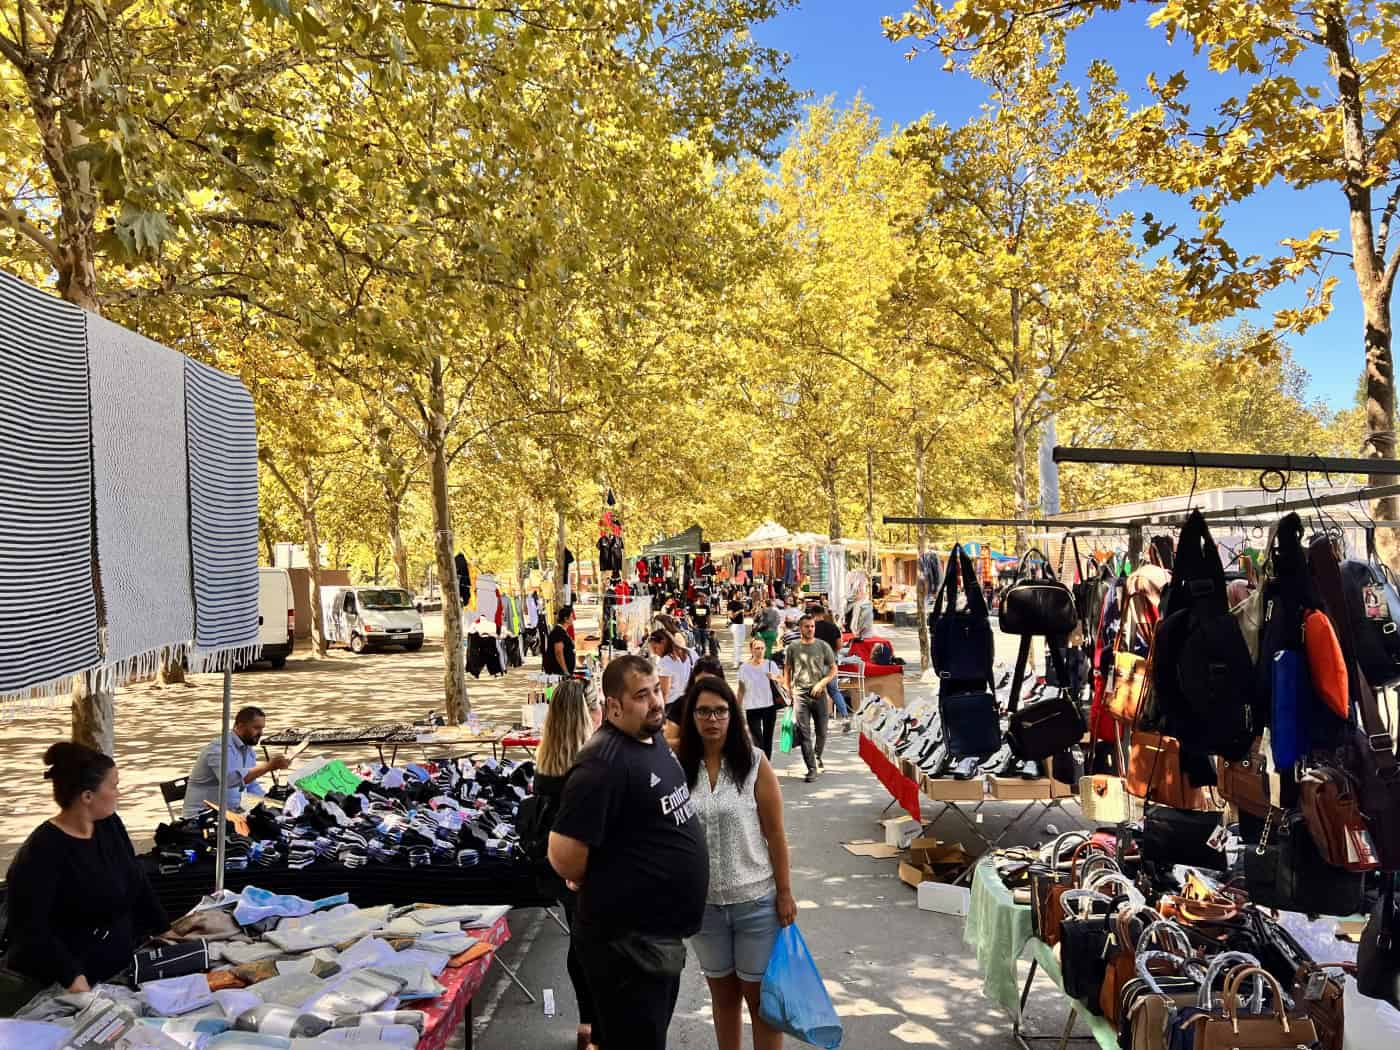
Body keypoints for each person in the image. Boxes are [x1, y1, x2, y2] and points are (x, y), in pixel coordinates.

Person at [548, 655, 708, 1050]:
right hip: (626, 949)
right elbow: (564, 856)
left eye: (656, 689)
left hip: (655, 942)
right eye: (642, 695)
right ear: (614, 706)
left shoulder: (650, 738)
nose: (656, 701)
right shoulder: (601, 763)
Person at [675, 676, 795, 1050]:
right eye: (703, 711)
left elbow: (775, 834)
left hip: (756, 902)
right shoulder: (678, 766)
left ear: (732, 714)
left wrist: (785, 894)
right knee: (723, 1000)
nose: (712, 719)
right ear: (691, 716)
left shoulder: (754, 763)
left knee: (762, 1005)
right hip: (704, 908)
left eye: (721, 711)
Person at [4, 743, 168, 992]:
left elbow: (136, 878)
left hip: (121, 963)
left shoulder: (109, 824)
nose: (118, 793)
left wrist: (164, 930)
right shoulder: (42, 851)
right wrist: (72, 978)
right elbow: (31, 929)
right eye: (114, 786)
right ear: (87, 796)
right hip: (67, 980)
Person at [531, 681, 601, 1050]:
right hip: (588, 870)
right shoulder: (590, 764)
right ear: (587, 714)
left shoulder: (546, 761)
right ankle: (597, 1026)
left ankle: (586, 1021)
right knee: (597, 948)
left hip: (556, 870)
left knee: (578, 941)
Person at [182, 706, 289, 817]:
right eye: (256, 728)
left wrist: (273, 804)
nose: (261, 733)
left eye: (262, 728)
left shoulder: (249, 751)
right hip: (201, 817)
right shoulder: (220, 748)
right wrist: (268, 766)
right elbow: (229, 780)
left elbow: (251, 785)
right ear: (240, 726)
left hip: (232, 814)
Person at [784, 614, 838, 782]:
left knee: (822, 731)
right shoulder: (793, 647)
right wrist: (788, 688)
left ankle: (817, 755)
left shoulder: (823, 646)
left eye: (812, 626)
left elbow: (833, 668)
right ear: (800, 628)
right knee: (804, 733)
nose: (810, 629)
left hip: (819, 694)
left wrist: (822, 683)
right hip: (800, 695)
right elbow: (787, 669)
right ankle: (811, 768)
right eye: (807, 626)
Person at [736, 638, 780, 758]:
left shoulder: (771, 665)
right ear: (751, 650)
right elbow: (741, 689)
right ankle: (761, 762)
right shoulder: (744, 668)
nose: (760, 651)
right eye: (757, 648)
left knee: (768, 737)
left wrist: (774, 678)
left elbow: (781, 682)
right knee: (757, 738)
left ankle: (767, 764)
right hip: (752, 707)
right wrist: (737, 709)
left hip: (769, 706)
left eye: (762, 648)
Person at [813, 610, 851, 732]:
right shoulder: (833, 627)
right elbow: (840, 645)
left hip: (816, 663)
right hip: (831, 662)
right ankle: (845, 717)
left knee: (818, 691)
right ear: (822, 614)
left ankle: (822, 721)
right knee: (834, 691)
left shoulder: (810, 628)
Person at [649, 628, 695, 719]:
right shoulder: (690, 653)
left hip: (671, 706)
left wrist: (660, 713)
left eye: (655, 648)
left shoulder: (666, 662)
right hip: (687, 701)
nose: (654, 652)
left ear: (662, 642)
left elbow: (664, 692)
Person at [544, 605, 577, 677]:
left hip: (561, 672)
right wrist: (565, 671)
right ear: (566, 619)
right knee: (551, 688)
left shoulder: (562, 631)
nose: (573, 619)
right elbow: (559, 653)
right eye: (571, 617)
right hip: (557, 673)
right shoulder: (558, 632)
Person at [727, 588, 748, 668]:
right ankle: (735, 662)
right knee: (737, 644)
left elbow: (744, 614)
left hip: (741, 625)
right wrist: (740, 611)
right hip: (736, 625)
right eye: (740, 593)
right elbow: (731, 616)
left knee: (740, 644)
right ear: (735, 594)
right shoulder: (731, 604)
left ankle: (737, 660)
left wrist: (752, 611)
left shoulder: (740, 603)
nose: (741, 595)